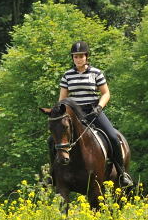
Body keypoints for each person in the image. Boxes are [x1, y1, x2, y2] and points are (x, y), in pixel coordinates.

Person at [56, 41, 133, 187]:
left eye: (81, 56)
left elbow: (106, 93)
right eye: (75, 57)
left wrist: (99, 107)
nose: (78, 59)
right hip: (74, 114)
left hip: (93, 111)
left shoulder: (96, 73)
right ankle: (52, 175)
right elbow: (62, 99)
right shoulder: (67, 75)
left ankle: (122, 174)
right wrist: (62, 113)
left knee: (113, 137)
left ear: (86, 57)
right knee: (52, 140)